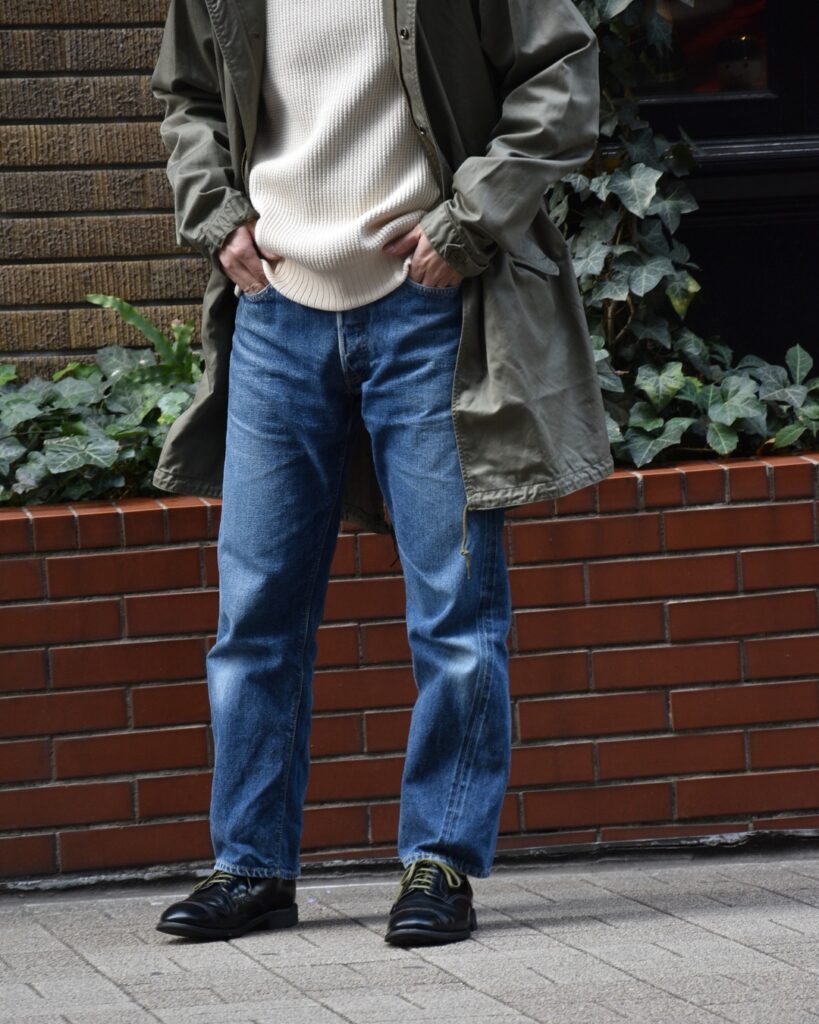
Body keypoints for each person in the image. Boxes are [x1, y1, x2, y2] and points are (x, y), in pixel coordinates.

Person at [150, 0, 613, 946]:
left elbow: (560, 76)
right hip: (275, 309)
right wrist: (218, 216)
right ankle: (250, 866)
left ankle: (440, 861)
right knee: (255, 613)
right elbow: (188, 96)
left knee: (454, 608)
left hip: (430, 308)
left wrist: (468, 222)